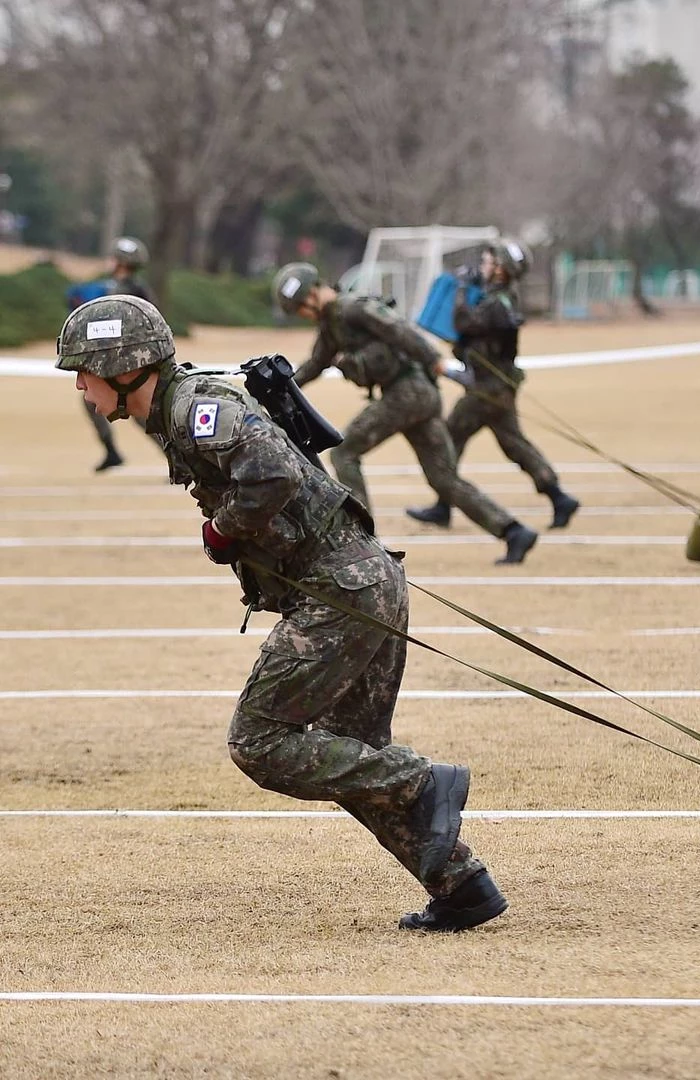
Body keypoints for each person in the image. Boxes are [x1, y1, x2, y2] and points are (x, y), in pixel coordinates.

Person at [55, 294, 509, 933]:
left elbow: (271, 475)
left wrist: (224, 529)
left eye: (84, 370)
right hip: (358, 581)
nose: (78, 384)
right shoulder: (175, 410)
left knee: (259, 741)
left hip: (342, 590)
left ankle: (425, 780)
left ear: (125, 367)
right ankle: (462, 885)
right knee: (352, 753)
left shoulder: (194, 410)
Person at [272, 262, 538, 565]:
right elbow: (316, 363)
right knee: (444, 478)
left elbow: (397, 329)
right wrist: (280, 385)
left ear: (311, 295)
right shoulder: (332, 324)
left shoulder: (352, 309)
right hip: (415, 396)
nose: (303, 316)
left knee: (344, 451)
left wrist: (433, 359)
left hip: (408, 393)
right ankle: (513, 531)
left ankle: (363, 543)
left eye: (300, 309)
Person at [406, 238, 580, 531]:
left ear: (501, 270)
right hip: (494, 387)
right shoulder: (497, 299)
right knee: (513, 444)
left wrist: (461, 289)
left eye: (489, 262)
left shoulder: (498, 304)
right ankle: (558, 496)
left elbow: (463, 323)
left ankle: (444, 504)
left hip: (487, 390)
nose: (483, 267)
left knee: (447, 438)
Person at [71, 236, 159, 472]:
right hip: (113, 361)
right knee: (95, 403)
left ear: (121, 261)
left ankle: (177, 458)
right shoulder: (113, 286)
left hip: (128, 362)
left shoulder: (133, 290)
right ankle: (111, 452)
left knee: (140, 411)